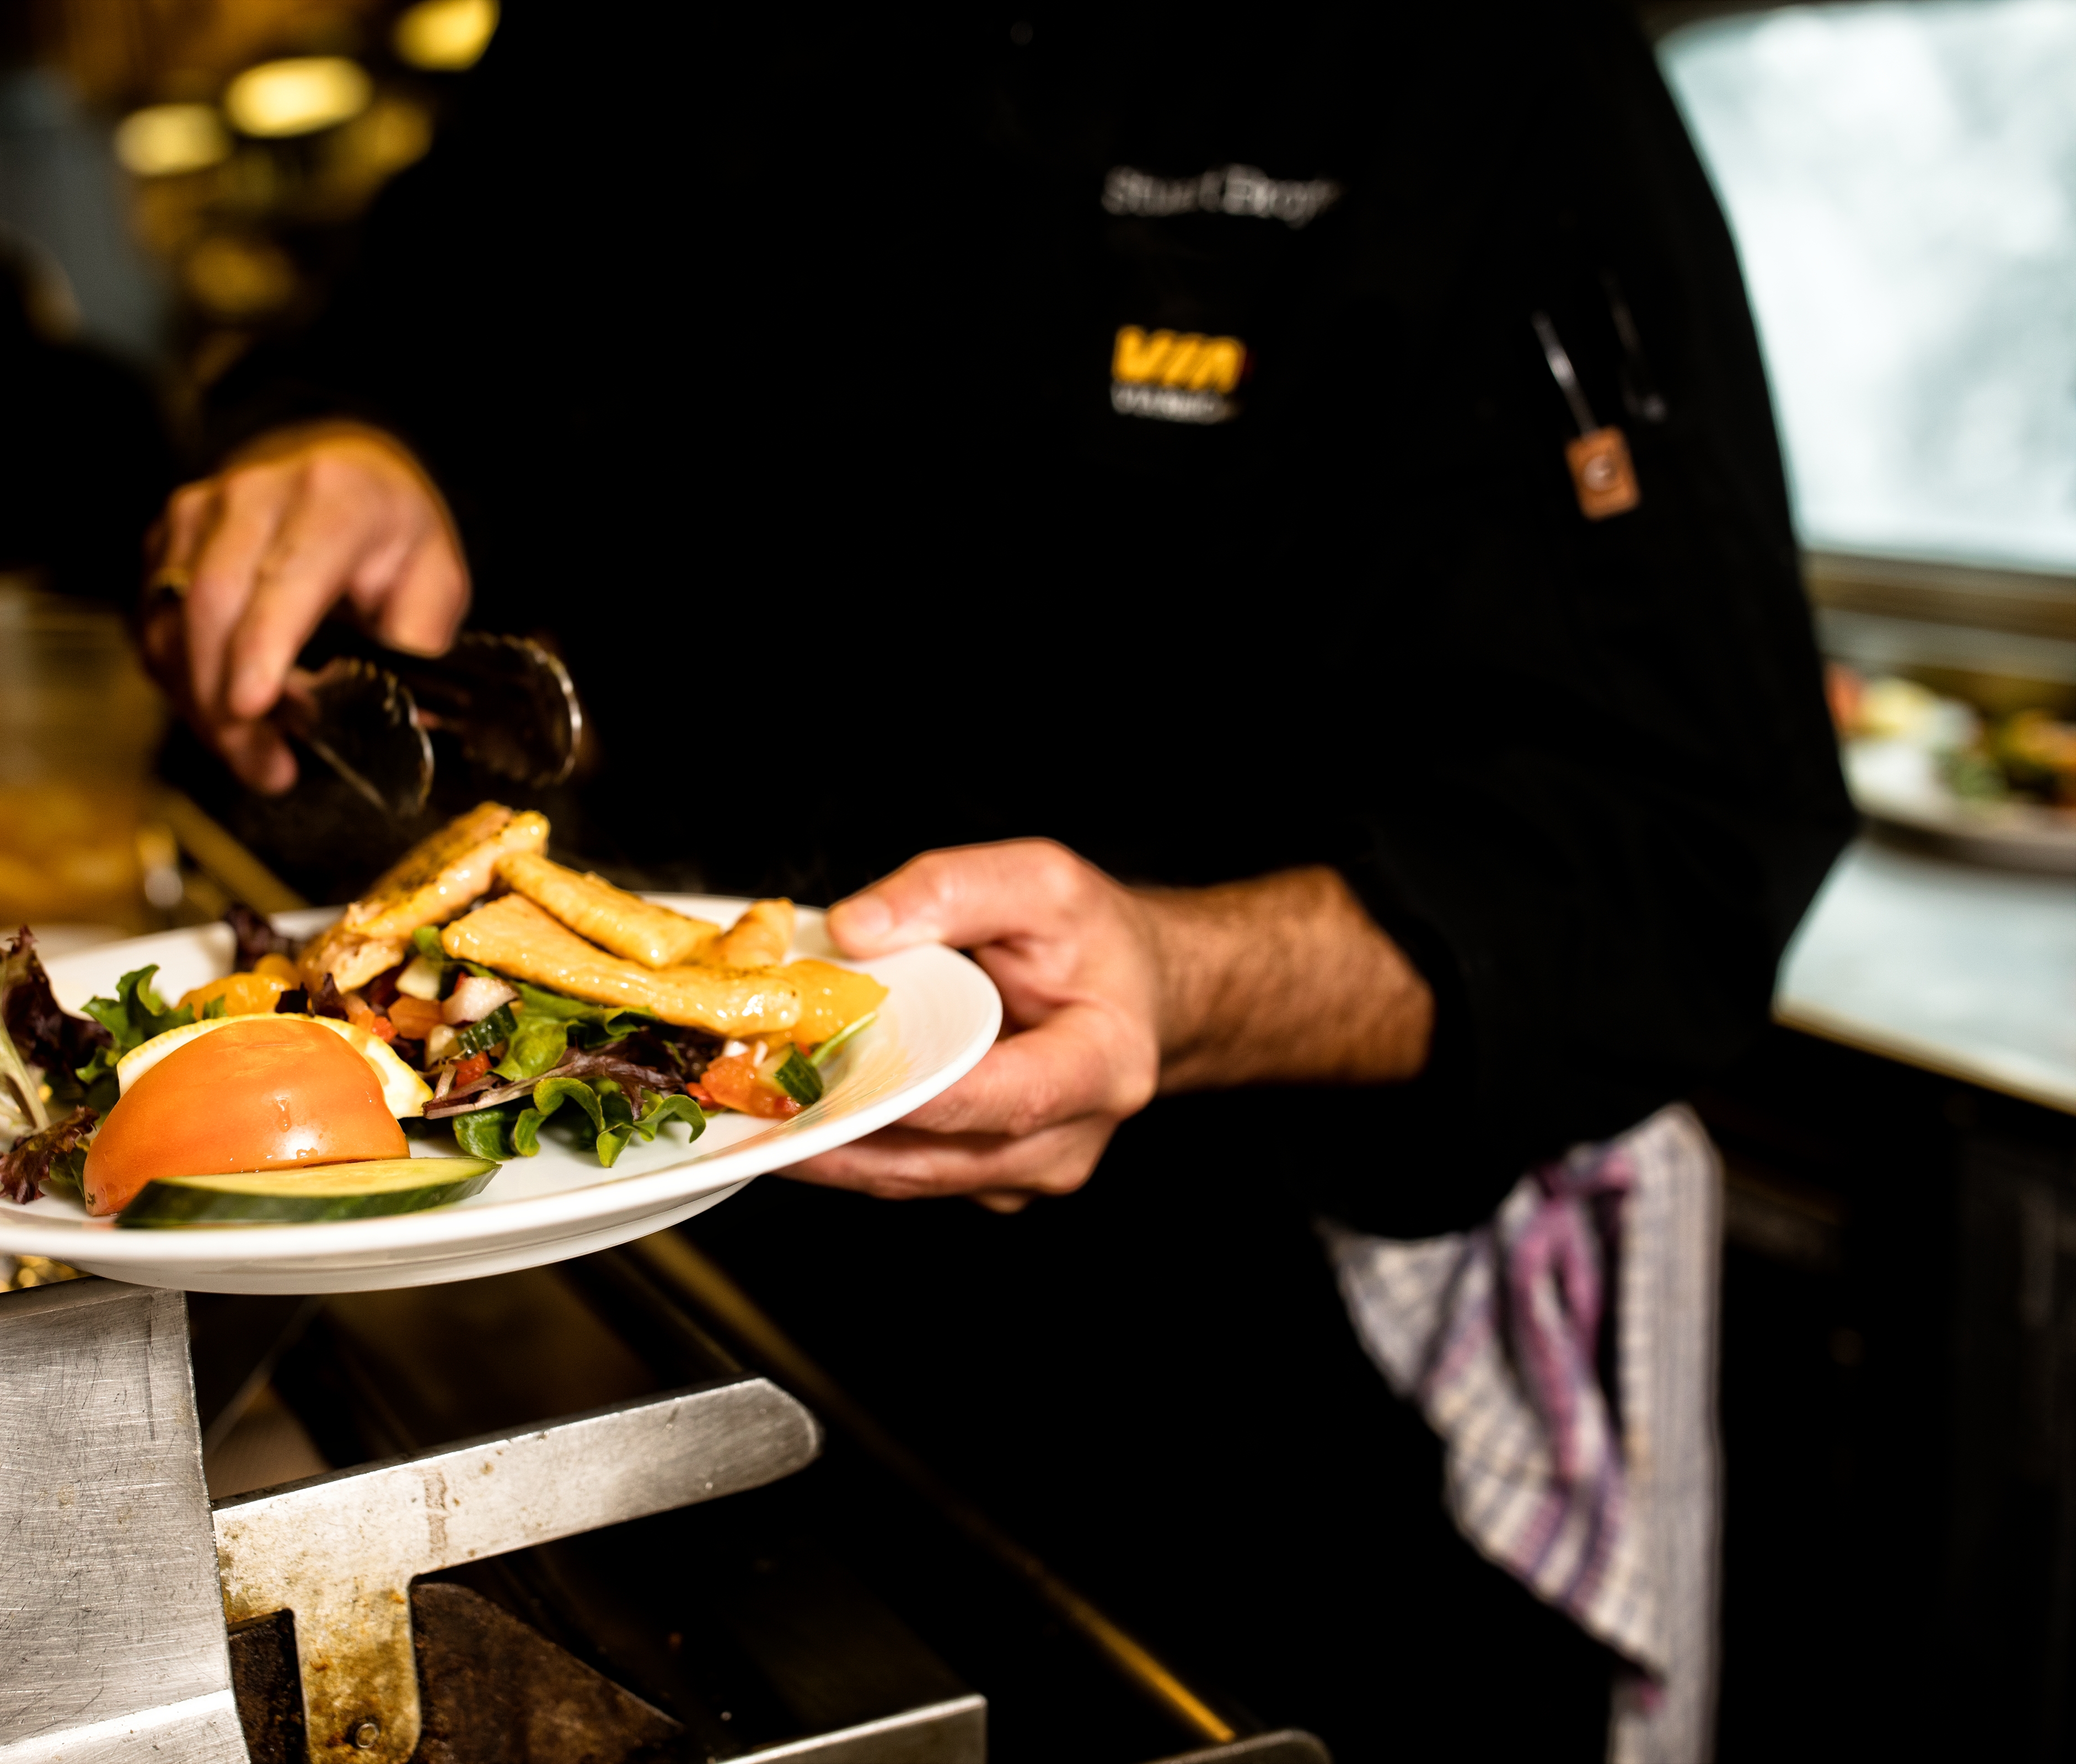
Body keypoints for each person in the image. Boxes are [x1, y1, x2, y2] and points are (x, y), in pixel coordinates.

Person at [140, 3, 1853, 1756]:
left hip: (1215, 1386)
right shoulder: (618, 39)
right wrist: (348, 453)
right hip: (631, 1310)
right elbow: (398, 348)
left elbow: (1681, 843)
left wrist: (1189, 978)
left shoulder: (1478, 70)